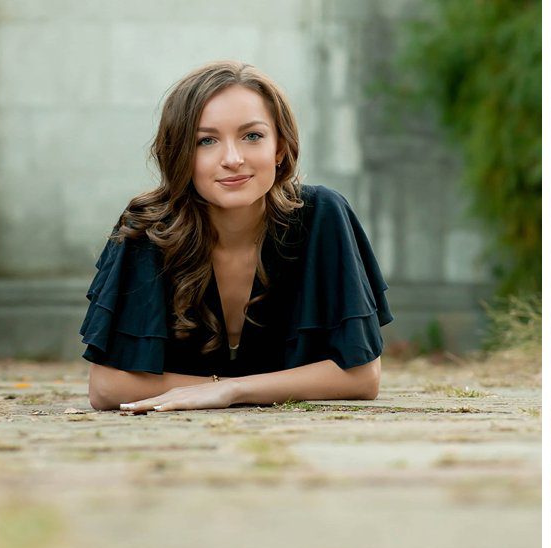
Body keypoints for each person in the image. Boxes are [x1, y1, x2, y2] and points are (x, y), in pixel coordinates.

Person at [80, 61, 390, 411]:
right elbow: (107, 386)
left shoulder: (323, 215)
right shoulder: (149, 228)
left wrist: (229, 391)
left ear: (280, 147)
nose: (232, 158)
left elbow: (362, 377)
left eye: (252, 136)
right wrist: (230, 387)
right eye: (206, 140)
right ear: (180, 153)